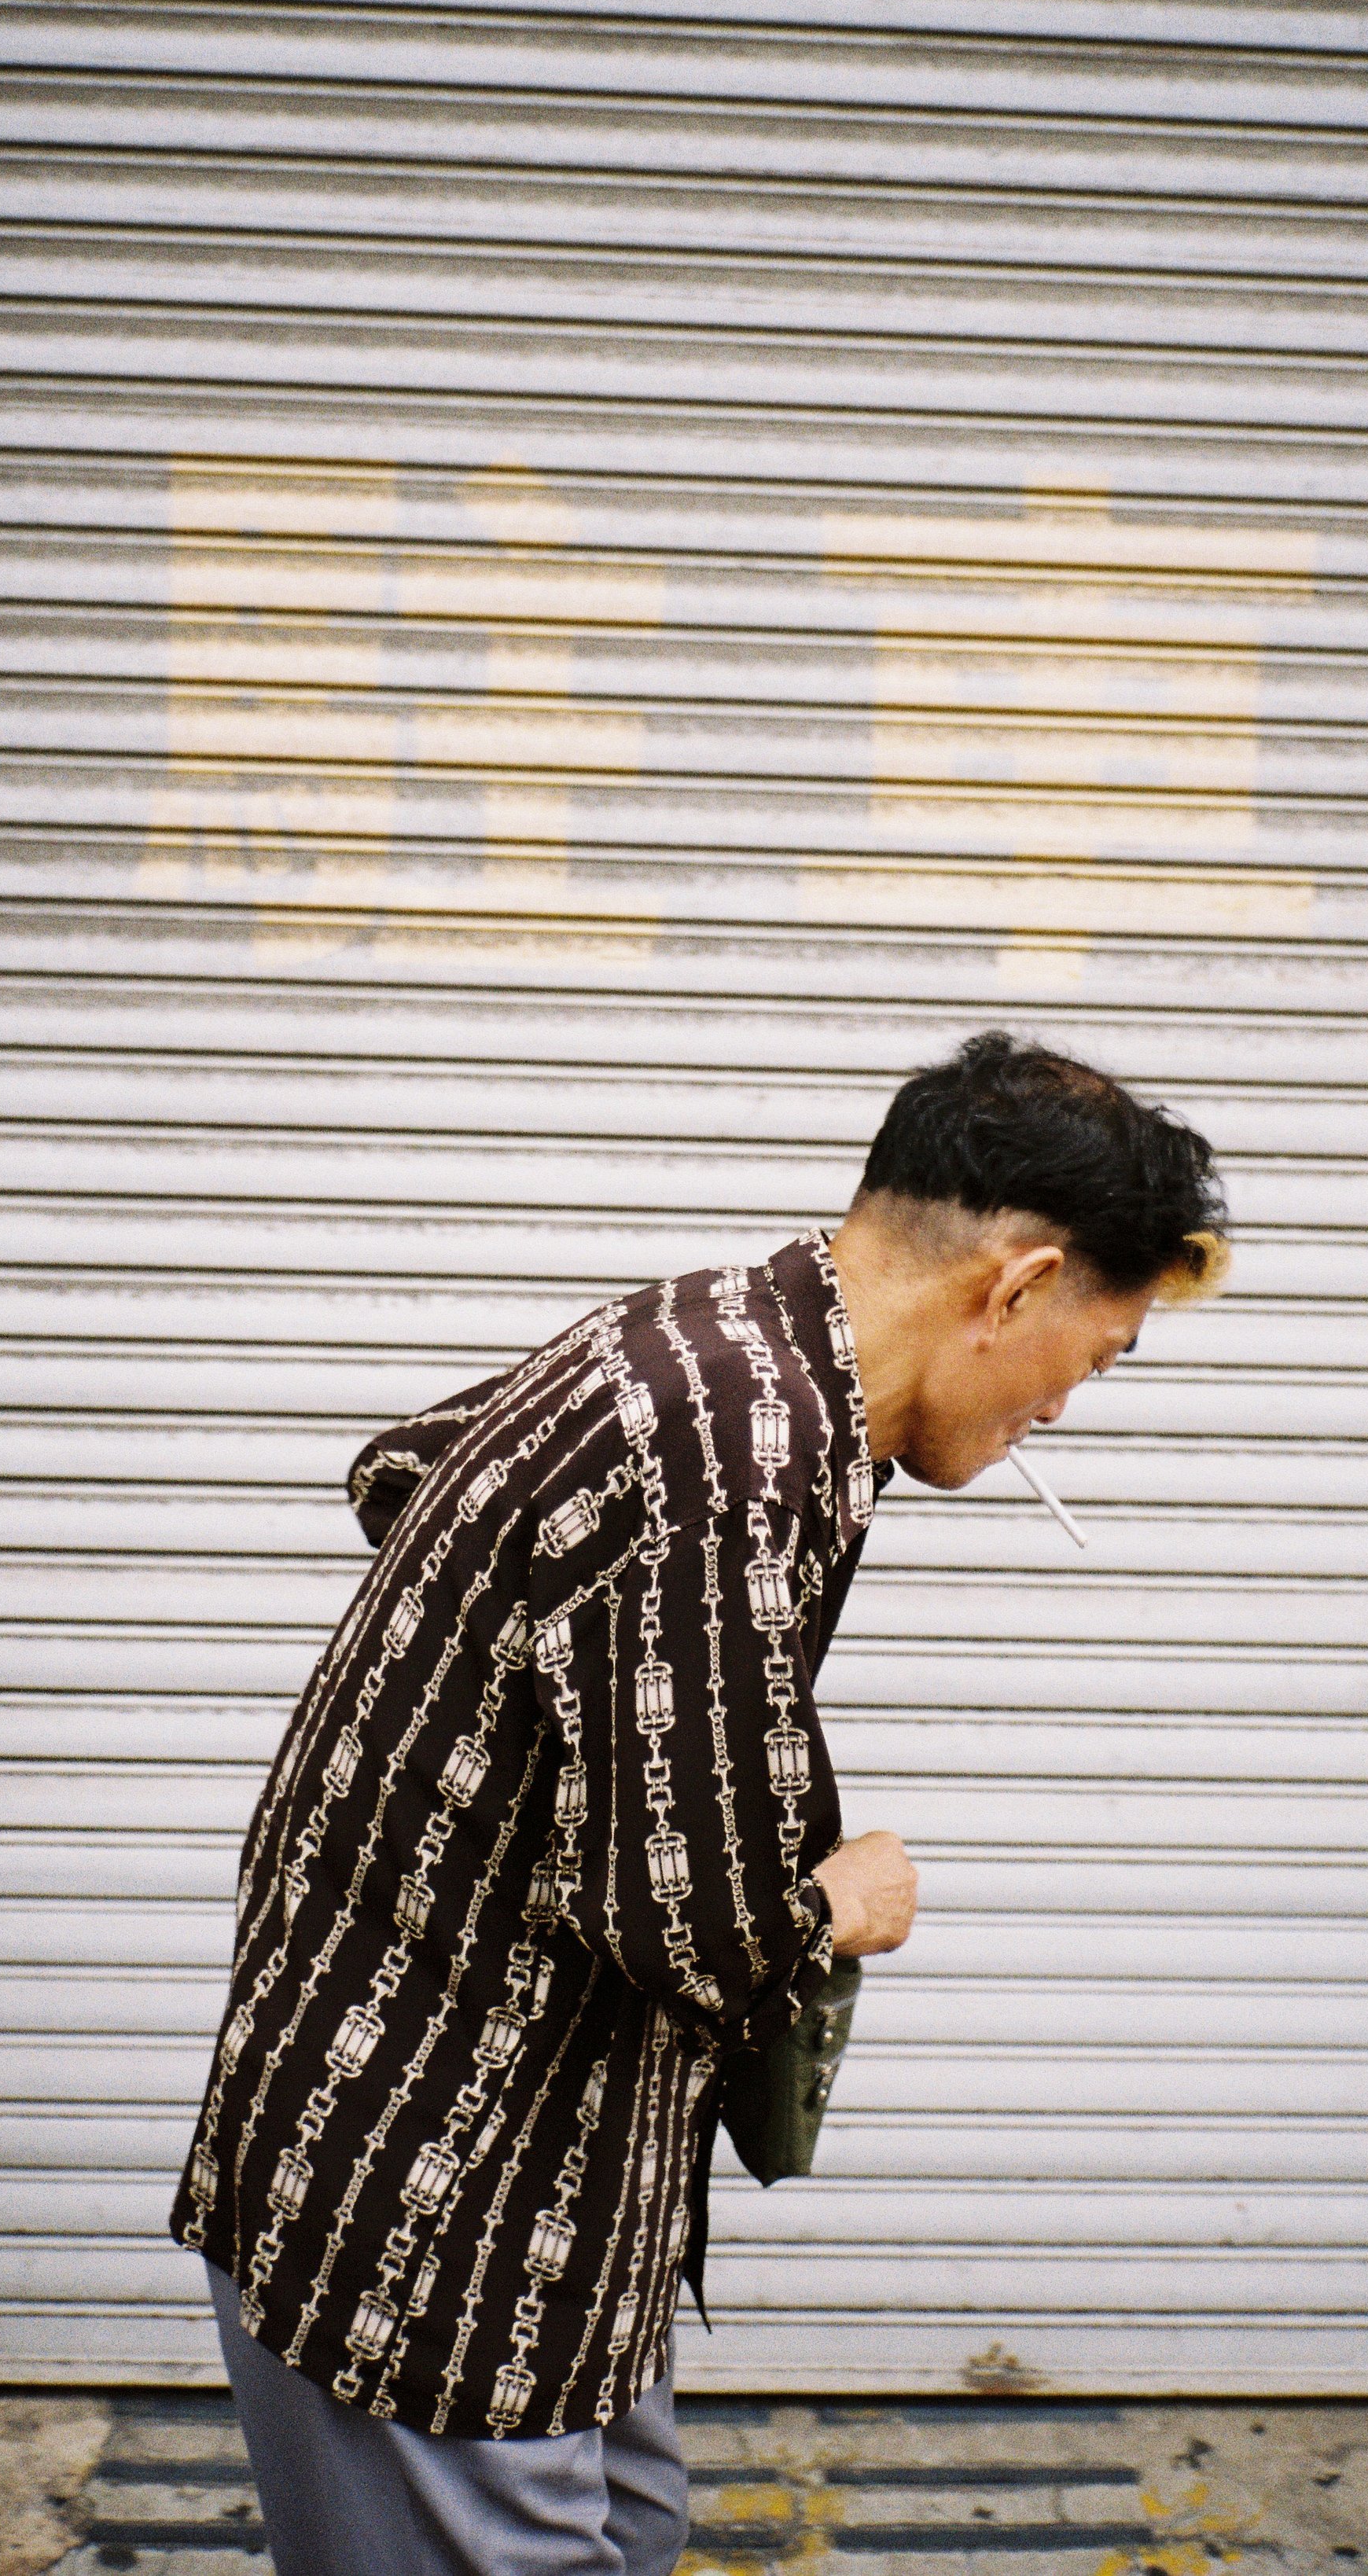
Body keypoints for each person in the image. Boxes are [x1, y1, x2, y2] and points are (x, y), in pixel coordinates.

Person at [172, 1030, 1226, 2574]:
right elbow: (689, 1929)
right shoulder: (732, 1450)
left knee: (635, 2537)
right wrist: (837, 1896)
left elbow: (398, 1470)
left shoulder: (708, 1335)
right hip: (431, 2219)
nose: (1065, 1406)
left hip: (527, 2184)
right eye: (1100, 1350)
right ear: (1014, 1287)